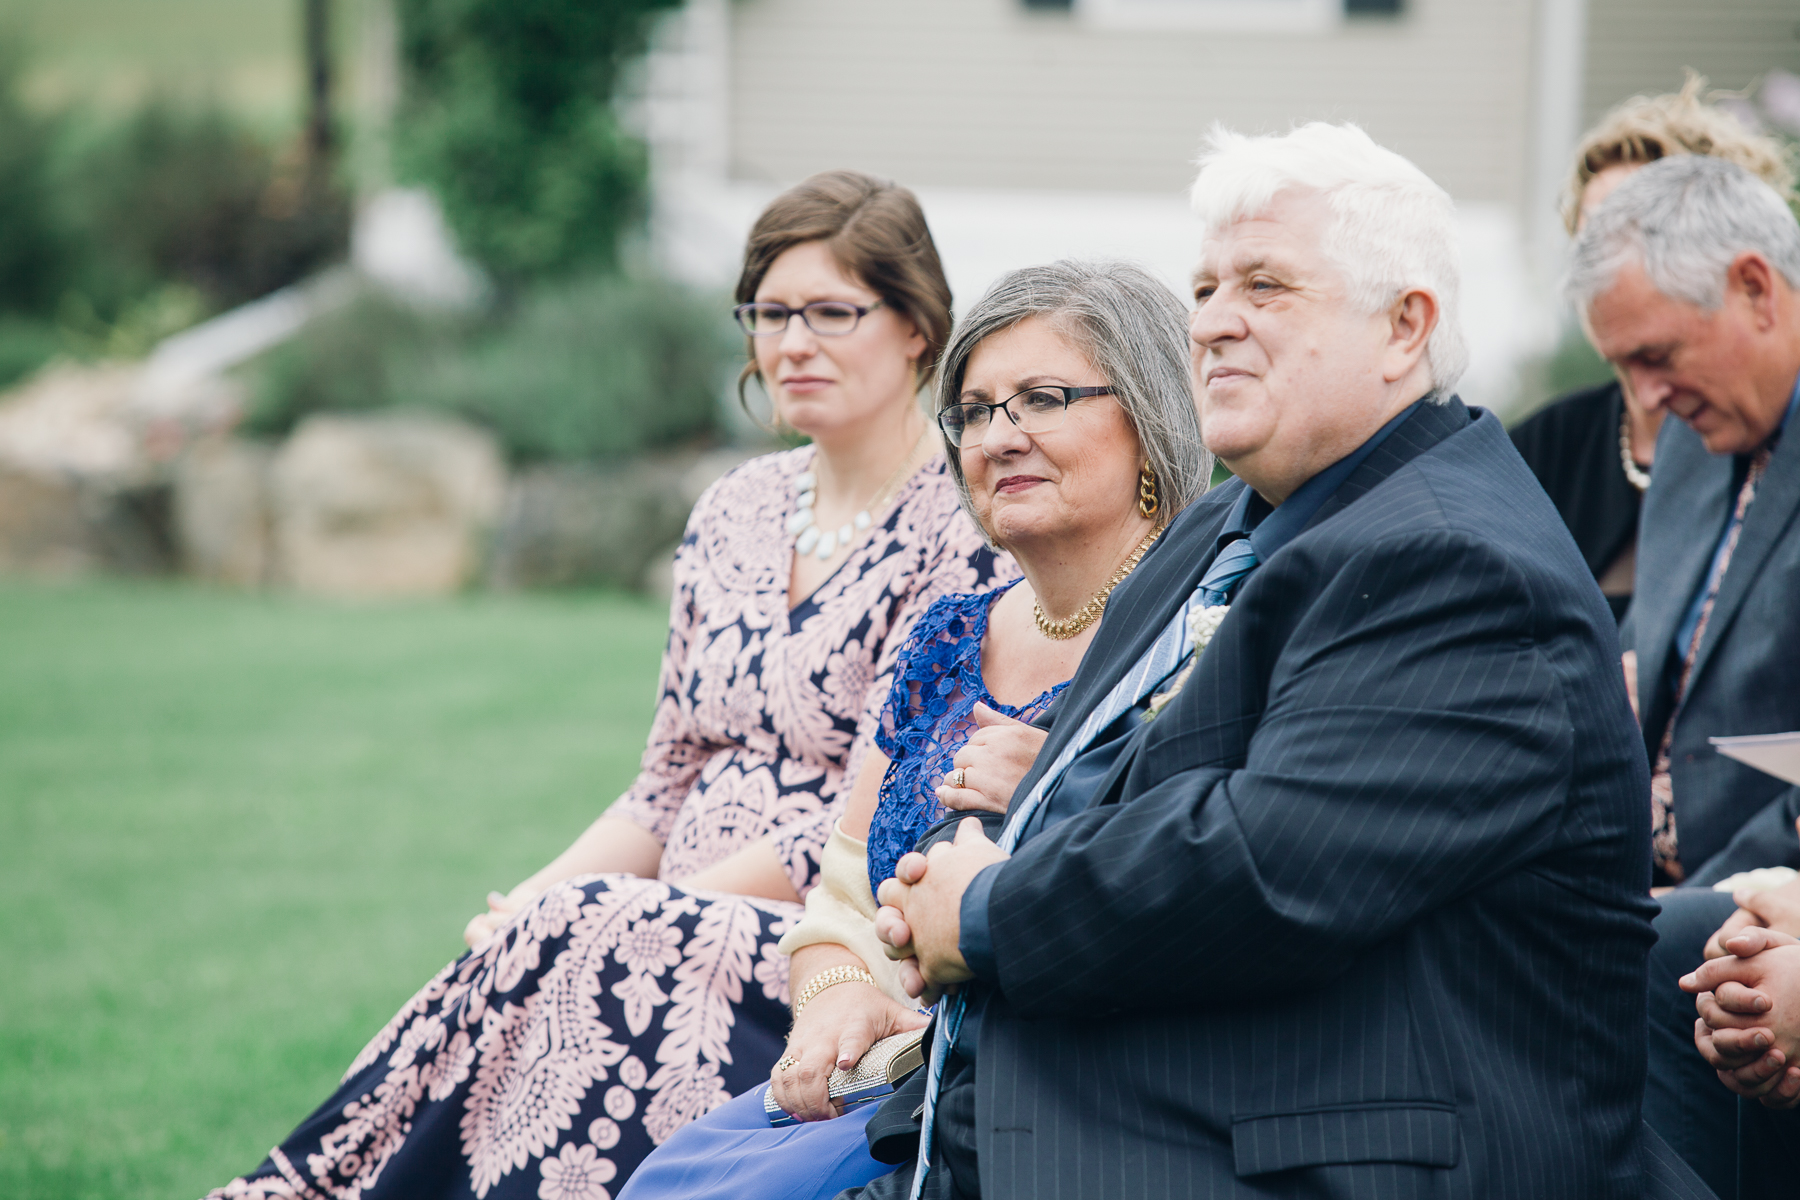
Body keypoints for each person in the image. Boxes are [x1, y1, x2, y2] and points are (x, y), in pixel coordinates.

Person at [859, 121, 1705, 1200]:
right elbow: (1112, 790)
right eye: (1205, 287)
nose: (1212, 322)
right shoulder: (1231, 527)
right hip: (1076, 1091)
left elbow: (1267, 868)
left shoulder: (1455, 563)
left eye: (1265, 286)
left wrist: (982, 914)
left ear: (1405, 328)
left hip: (1303, 1147)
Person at [207, 170, 1014, 1200]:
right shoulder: (733, 508)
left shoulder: (960, 530)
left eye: (830, 312)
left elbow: (863, 821)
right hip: (652, 901)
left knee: (580, 944)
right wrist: (539, 901)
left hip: (826, 944)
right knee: (492, 961)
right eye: (768, 313)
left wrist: (620, 909)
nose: (793, 343)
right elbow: (662, 782)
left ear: (916, 327)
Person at [618, 259, 1212, 1200]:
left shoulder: (1199, 633)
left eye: (1042, 399)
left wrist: (1059, 796)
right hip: (885, 1080)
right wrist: (839, 996)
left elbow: (1207, 883)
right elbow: (838, 902)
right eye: (974, 412)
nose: (998, 436)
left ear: (1149, 418)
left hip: (1060, 1104)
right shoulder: (948, 634)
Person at [1568, 152, 1800, 1196]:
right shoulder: (1697, 440)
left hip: (1746, 891)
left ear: (1755, 286)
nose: (1644, 399)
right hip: (1637, 867)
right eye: (1623, 365)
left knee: (1675, 953)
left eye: (1656, 355)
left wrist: (1731, 892)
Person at [1509, 73, 1797, 622]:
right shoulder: (1546, 446)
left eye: (1644, 223)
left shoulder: (1754, 436)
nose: (1610, 257)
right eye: (1594, 233)